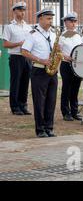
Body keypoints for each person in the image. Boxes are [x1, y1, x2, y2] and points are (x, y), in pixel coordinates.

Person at [21, 8, 58, 138]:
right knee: (39, 101)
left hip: (52, 70)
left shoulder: (53, 34)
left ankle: (49, 127)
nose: (50, 21)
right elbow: (24, 51)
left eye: (51, 18)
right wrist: (40, 60)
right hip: (39, 70)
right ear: (40, 18)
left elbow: (56, 50)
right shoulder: (33, 34)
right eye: (48, 18)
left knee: (51, 100)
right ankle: (40, 129)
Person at [2, 2, 32, 115]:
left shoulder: (28, 27)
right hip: (16, 57)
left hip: (27, 57)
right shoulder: (9, 27)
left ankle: (23, 105)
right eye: (20, 10)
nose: (22, 13)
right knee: (16, 82)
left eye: (24, 10)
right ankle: (14, 107)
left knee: (25, 82)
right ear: (14, 11)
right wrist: (19, 43)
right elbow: (5, 44)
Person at [59, 12, 83, 121]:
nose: (73, 24)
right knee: (66, 89)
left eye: (75, 21)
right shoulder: (62, 36)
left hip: (77, 65)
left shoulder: (78, 36)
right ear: (65, 23)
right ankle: (65, 112)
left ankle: (74, 111)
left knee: (75, 89)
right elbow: (57, 52)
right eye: (71, 21)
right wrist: (66, 56)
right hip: (66, 65)